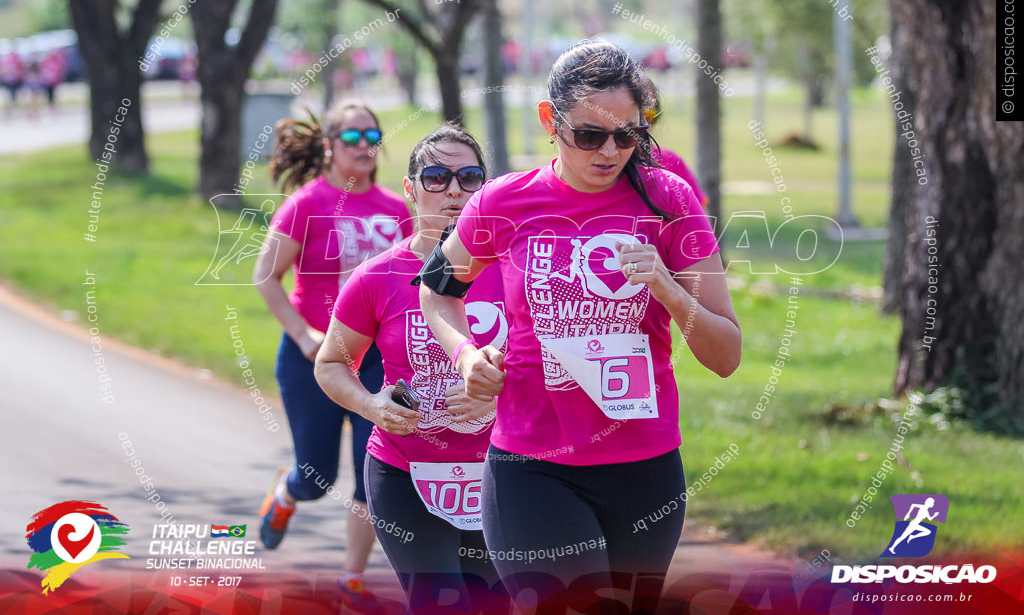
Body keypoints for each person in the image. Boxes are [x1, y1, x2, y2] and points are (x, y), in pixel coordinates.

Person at [419, 40, 742, 613]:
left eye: (628, 135)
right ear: (551, 120)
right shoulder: (501, 202)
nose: (610, 151)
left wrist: (667, 287)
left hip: (645, 466)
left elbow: (726, 355)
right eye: (590, 135)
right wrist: (467, 355)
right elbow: (437, 293)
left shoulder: (669, 200)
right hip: (531, 466)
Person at [315, 124, 509, 613]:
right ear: (410, 188)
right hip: (407, 472)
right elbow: (332, 363)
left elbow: (552, 367)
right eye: (436, 177)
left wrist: (500, 390)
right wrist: (370, 404)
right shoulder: (376, 277)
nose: (454, 191)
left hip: (503, 474)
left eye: (469, 177)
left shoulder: (512, 270)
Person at [252, 100, 412, 611]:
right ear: (330, 145)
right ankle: (287, 493)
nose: (365, 148)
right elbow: (265, 276)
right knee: (316, 478)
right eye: (352, 138)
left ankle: (352, 576)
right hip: (312, 359)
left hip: (377, 363)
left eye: (373, 137)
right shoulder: (306, 204)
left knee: (373, 471)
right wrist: (304, 336)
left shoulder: (395, 210)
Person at [640, 74, 709, 208]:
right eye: (636, 117)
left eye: (649, 116)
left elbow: (698, 215)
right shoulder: (604, 165)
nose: (643, 125)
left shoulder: (671, 161)